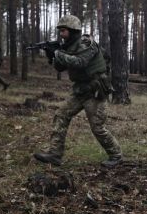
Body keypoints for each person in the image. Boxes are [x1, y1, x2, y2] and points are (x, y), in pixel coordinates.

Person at [33, 15, 122, 167]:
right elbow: (61, 67)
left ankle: (116, 155)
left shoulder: (87, 43)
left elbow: (80, 62)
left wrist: (58, 54)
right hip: (80, 90)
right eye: (60, 31)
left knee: (97, 127)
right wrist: (52, 55)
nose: (61, 34)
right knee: (61, 115)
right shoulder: (68, 47)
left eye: (64, 31)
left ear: (74, 31)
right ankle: (55, 154)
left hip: (95, 90)